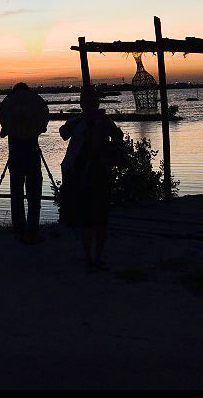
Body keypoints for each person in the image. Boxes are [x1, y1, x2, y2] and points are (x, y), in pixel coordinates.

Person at [60, 86, 124, 270]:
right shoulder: (78, 121)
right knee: (88, 218)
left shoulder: (103, 121)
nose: (88, 105)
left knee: (99, 217)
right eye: (85, 102)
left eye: (90, 102)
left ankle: (95, 256)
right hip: (81, 173)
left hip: (98, 172)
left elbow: (118, 137)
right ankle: (90, 256)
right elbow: (64, 133)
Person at [0, 82, 49, 244]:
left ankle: (19, 230)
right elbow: (43, 127)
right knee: (34, 194)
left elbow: (3, 131)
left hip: (15, 154)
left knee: (16, 193)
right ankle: (32, 230)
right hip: (32, 151)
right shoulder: (36, 102)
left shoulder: (8, 103)